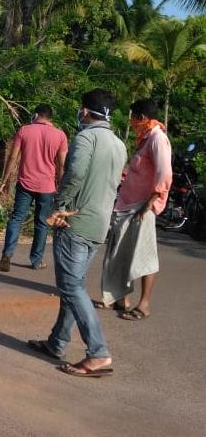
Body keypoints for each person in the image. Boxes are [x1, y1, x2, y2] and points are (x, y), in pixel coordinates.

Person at [27, 89, 127, 378]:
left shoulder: (85, 138)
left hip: (76, 222)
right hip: (98, 225)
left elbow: (76, 174)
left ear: (85, 111)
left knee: (71, 287)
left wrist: (60, 206)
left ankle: (98, 353)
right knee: (76, 285)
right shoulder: (119, 145)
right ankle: (57, 342)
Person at [98, 99, 172, 321]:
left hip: (142, 206)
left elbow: (165, 173)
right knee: (123, 251)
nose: (132, 122)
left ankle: (144, 304)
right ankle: (121, 298)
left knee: (145, 256)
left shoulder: (158, 138)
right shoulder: (145, 138)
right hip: (129, 204)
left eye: (133, 117)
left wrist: (150, 202)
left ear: (141, 118)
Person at [0, 104, 68, 272]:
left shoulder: (24, 131)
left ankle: (7, 253)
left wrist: (4, 180)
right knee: (42, 223)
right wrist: (61, 186)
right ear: (50, 117)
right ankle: (36, 261)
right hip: (47, 186)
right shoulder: (60, 135)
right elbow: (61, 165)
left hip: (25, 183)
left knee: (16, 218)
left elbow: (13, 157)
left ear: (36, 115)